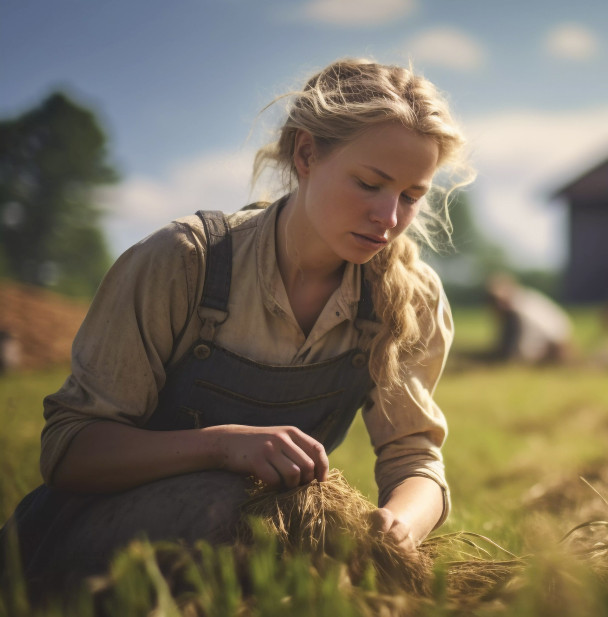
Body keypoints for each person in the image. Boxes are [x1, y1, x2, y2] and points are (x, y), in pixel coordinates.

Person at [0, 58, 473, 595]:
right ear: (305, 154)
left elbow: (415, 459)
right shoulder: (184, 263)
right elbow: (69, 452)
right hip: (80, 552)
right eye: (369, 184)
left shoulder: (408, 296)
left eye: (411, 196)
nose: (389, 218)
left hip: (252, 542)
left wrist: (399, 528)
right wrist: (222, 446)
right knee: (232, 510)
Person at [484, 274, 574, 365]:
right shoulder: (525, 299)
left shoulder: (518, 312)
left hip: (550, 346)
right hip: (555, 341)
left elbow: (519, 351)